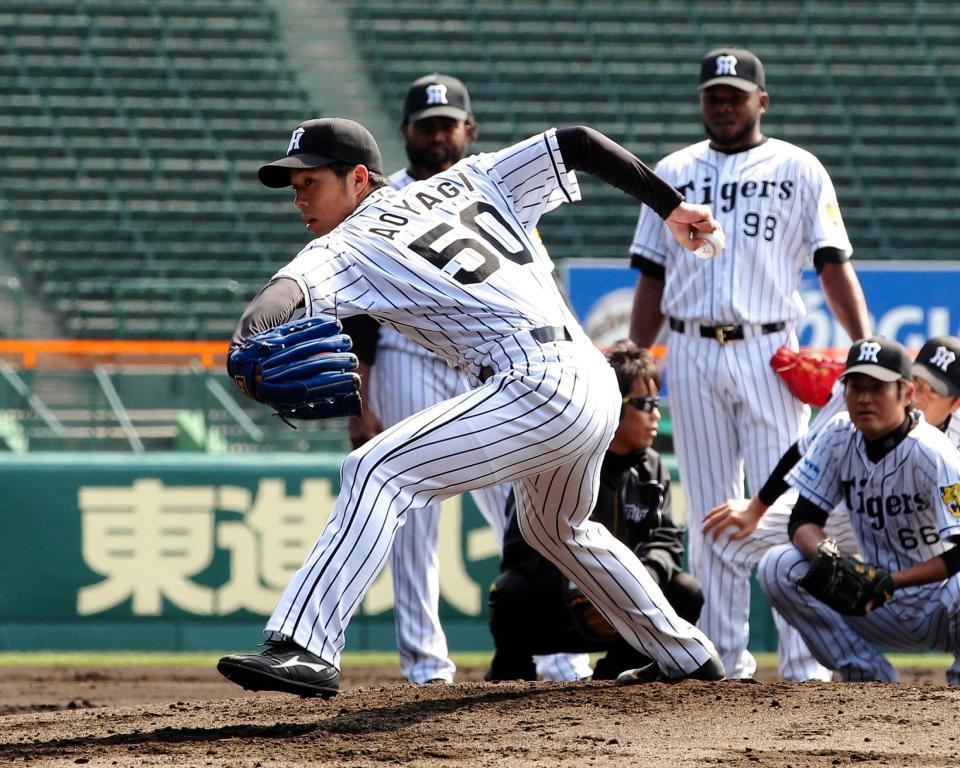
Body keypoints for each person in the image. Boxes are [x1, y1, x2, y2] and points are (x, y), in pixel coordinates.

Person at [216, 115, 726, 698]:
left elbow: (279, 298)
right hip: (589, 376)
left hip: (536, 382)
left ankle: (305, 644)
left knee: (377, 469)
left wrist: (243, 344)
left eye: (310, 183)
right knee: (556, 527)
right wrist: (671, 206)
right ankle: (685, 654)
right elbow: (578, 143)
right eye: (294, 187)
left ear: (358, 178)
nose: (299, 198)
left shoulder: (346, 246)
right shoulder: (470, 178)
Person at [627, 47, 871, 681]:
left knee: (790, 508)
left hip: (770, 349)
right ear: (702, 101)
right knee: (713, 506)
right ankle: (724, 658)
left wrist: (865, 348)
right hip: (691, 348)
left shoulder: (798, 167)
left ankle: (804, 660)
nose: (725, 104)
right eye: (715, 95)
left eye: (736, 94)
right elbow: (651, 275)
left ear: (762, 101)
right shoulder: (672, 171)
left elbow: (831, 262)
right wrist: (635, 356)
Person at [340, 73, 523, 685]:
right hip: (406, 360)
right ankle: (426, 667)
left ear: (469, 131)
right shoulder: (379, 203)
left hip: (492, 368)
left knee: (526, 516)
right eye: (428, 126)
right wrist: (359, 404)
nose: (438, 136)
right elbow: (359, 312)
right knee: (414, 520)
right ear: (406, 133)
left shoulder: (493, 193)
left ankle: (552, 654)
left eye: (448, 126)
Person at [703, 335, 960, 680]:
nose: (865, 397)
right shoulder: (841, 431)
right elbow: (803, 515)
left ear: (905, 394)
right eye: (856, 387)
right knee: (779, 565)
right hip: (872, 601)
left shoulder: (938, 452)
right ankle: (866, 673)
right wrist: (835, 561)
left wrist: (890, 580)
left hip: (936, 605)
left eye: (878, 388)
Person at [485, 341, 703, 681]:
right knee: (510, 591)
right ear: (614, 404)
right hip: (562, 611)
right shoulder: (558, 458)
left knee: (685, 591)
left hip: (628, 611)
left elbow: (666, 541)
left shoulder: (652, 467)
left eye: (656, 403)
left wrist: (637, 582)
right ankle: (510, 677)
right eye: (645, 404)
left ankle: (616, 674)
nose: (656, 414)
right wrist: (579, 585)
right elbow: (519, 549)